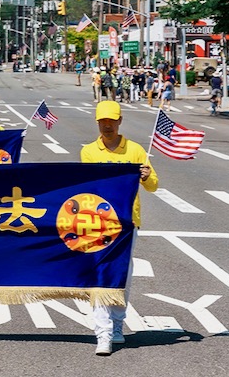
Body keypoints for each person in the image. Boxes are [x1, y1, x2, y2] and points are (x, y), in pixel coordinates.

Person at [80, 101, 158, 356]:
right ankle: (102, 333)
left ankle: (116, 325)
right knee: (100, 276)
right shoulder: (89, 151)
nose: (107, 125)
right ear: (97, 122)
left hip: (127, 222)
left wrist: (146, 176)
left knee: (121, 278)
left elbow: (153, 185)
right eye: (103, 121)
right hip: (97, 223)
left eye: (112, 120)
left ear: (120, 121)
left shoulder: (136, 150)